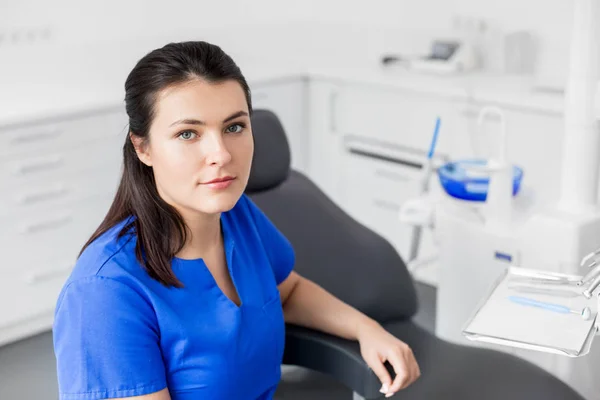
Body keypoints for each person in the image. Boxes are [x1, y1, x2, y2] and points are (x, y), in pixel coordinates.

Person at [52, 41, 420, 400]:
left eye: (234, 127)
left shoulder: (237, 216)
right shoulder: (104, 291)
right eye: (187, 134)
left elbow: (287, 291)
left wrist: (366, 329)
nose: (221, 154)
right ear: (143, 147)